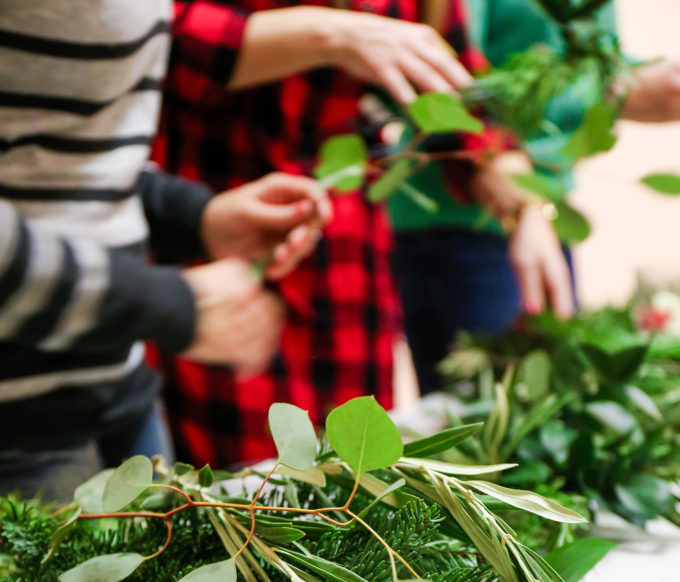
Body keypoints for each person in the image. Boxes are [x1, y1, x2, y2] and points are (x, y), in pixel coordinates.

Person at [153, 0, 510, 466]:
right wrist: (333, 35)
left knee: (356, 470)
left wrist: (518, 188)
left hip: (347, 257)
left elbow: (453, 82)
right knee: (233, 494)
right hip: (220, 233)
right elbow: (162, 44)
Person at [0, 1, 329, 502]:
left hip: (122, 395)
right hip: (21, 430)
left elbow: (62, 156)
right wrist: (162, 302)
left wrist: (197, 218)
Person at [390, 0, 680, 394]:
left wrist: (640, 82)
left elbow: (587, 71)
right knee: (496, 409)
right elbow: (444, 71)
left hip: (542, 212)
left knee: (552, 396)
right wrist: (523, 203)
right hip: (464, 221)